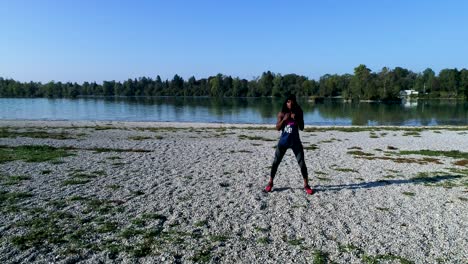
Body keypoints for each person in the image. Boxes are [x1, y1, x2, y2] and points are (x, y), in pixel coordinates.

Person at [264, 94, 313, 195]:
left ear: (294, 102)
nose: (290, 103)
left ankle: (306, 185)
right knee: (276, 162)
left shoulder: (299, 112)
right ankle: (270, 182)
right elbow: (277, 128)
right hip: (283, 142)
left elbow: (302, 127)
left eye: (291, 101)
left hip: (295, 142)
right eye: (288, 101)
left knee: (302, 163)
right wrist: (284, 120)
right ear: (285, 103)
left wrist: (297, 119)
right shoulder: (282, 113)